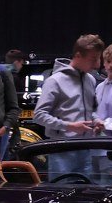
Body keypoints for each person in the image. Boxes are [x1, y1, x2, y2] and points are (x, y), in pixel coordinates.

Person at [35, 34, 104, 179]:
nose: (97, 65)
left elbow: (92, 111)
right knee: (62, 190)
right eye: (93, 59)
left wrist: (96, 121)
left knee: (85, 190)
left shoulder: (90, 80)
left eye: (99, 59)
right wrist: (69, 126)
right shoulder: (55, 81)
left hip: (85, 148)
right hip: (61, 149)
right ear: (78, 56)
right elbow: (39, 115)